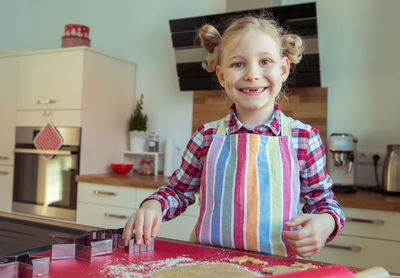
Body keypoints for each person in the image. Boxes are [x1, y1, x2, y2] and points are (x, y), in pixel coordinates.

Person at [123, 15, 345, 258]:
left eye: (265, 61)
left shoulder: (304, 138)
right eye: (238, 64)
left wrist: (325, 223)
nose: (252, 74)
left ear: (283, 69)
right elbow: (178, 191)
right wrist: (153, 204)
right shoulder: (205, 137)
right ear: (221, 76)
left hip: (278, 268)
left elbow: (323, 202)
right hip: (208, 265)